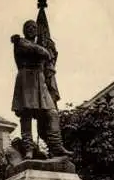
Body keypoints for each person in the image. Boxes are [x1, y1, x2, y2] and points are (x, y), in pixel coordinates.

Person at [11, 20, 72, 159]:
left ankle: (56, 146)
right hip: (26, 80)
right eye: (28, 27)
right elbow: (38, 51)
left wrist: (47, 50)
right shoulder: (20, 42)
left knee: (52, 113)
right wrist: (45, 50)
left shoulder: (36, 44)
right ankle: (28, 149)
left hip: (40, 82)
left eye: (34, 27)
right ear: (24, 30)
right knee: (26, 115)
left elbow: (46, 55)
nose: (31, 29)